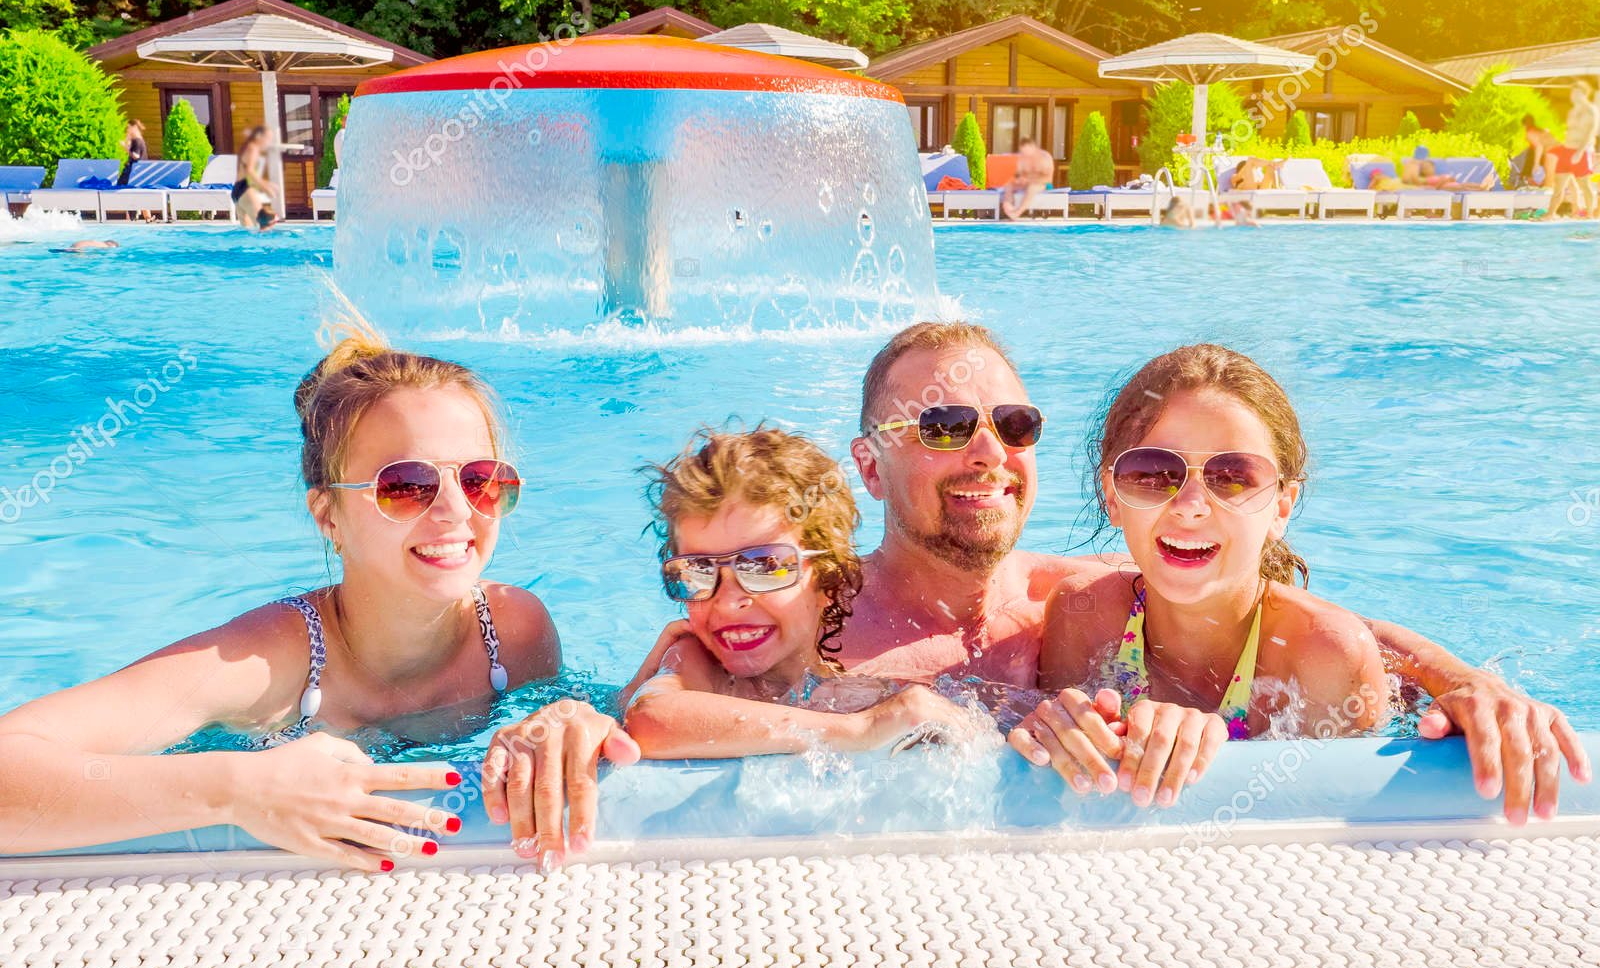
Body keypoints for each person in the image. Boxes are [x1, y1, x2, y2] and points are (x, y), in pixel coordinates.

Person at [501, 322, 1591, 854]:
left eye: (1011, 424)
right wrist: (566, 718)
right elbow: (668, 680)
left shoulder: (1079, 596)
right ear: (869, 463)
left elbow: (1294, 615)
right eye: (942, 425)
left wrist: (1468, 683)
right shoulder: (800, 608)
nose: (986, 450)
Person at [0, 327, 589, 868]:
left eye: (481, 479)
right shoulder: (266, 664)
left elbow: (568, 720)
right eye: (406, 486)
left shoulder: (514, 631)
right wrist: (241, 790)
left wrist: (562, 721)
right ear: (328, 515)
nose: (457, 511)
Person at [1009, 344, 1388, 806]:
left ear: (1281, 507)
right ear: (1111, 496)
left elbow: (1342, 826)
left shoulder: (1325, 659)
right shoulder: (1083, 617)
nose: (1190, 507)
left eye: (1233, 476)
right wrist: (1056, 732)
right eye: (1152, 472)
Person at [621, 427, 975, 758]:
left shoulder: (863, 696)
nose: (728, 602)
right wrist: (859, 729)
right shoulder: (700, 663)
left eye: (762, 566)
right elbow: (652, 719)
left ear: (827, 580)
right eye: (697, 571)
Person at [1545, 81, 1597, 219]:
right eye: (1572, 93)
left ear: (1583, 93)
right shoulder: (1572, 111)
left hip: (1582, 151)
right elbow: (1570, 132)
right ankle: (1550, 214)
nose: (1573, 96)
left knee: (1584, 184)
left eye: (1576, 93)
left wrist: (1579, 152)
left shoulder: (1590, 110)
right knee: (1558, 185)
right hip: (1567, 151)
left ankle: (1590, 215)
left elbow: (1590, 133)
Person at [233, 126, 280, 232]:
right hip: (245, 190)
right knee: (264, 227)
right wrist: (266, 187)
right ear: (259, 136)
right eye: (267, 138)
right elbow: (250, 171)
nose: (269, 142)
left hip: (237, 190)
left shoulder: (247, 147)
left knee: (248, 231)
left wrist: (267, 184)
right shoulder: (252, 148)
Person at [1000, 138, 1056, 220]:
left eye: (1027, 152)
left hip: (1043, 183)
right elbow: (1019, 174)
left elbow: (1047, 178)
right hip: (1027, 183)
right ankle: (1008, 205)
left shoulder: (1044, 157)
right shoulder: (1023, 158)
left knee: (1032, 187)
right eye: (1023, 152)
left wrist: (1031, 180)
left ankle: (1017, 212)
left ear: (1033, 147)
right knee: (1009, 184)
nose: (1025, 154)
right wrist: (1020, 179)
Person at [117, 120, 147, 186]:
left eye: (129, 127)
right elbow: (128, 144)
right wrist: (128, 137)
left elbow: (136, 156)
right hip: (134, 169)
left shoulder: (137, 141)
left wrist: (125, 147)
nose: (127, 129)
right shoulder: (136, 140)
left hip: (134, 169)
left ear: (134, 127)